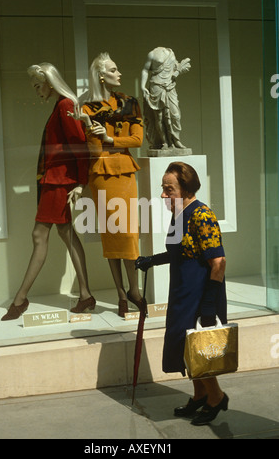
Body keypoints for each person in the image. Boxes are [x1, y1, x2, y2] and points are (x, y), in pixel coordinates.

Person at [135, 162, 228, 426]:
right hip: (181, 292)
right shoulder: (179, 213)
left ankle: (216, 397)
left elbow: (218, 262)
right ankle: (199, 395)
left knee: (198, 350)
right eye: (163, 189)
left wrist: (209, 304)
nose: (164, 195)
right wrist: (151, 260)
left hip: (200, 294)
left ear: (186, 189)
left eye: (169, 190)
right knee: (184, 347)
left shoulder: (201, 215)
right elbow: (179, 253)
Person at [1, 62, 94, 321]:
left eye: (37, 85)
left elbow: (79, 146)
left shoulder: (65, 106)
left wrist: (80, 182)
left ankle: (20, 299)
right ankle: (85, 294)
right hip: (53, 180)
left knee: (39, 235)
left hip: (59, 181)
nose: (36, 91)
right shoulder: (61, 106)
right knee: (65, 233)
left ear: (49, 83)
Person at [71, 52, 145, 317]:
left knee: (128, 234)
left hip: (125, 172)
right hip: (100, 174)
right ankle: (121, 295)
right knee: (111, 235)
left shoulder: (129, 102)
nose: (119, 73)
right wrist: (91, 128)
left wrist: (111, 139)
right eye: (114, 69)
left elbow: (137, 139)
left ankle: (135, 290)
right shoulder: (87, 107)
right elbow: (90, 149)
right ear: (101, 75)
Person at [141, 47, 191, 150]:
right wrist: (142, 86)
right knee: (159, 117)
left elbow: (176, 66)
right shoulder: (152, 54)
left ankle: (176, 140)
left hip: (170, 86)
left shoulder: (170, 52)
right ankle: (163, 142)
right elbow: (145, 70)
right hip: (156, 86)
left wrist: (179, 70)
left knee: (175, 115)